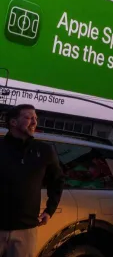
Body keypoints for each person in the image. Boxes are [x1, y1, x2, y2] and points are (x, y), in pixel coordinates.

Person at [0, 105, 64, 257]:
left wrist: (50, 210)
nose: (34, 122)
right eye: (29, 118)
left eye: (35, 118)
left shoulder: (45, 151)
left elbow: (57, 181)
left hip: (26, 230)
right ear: (13, 122)